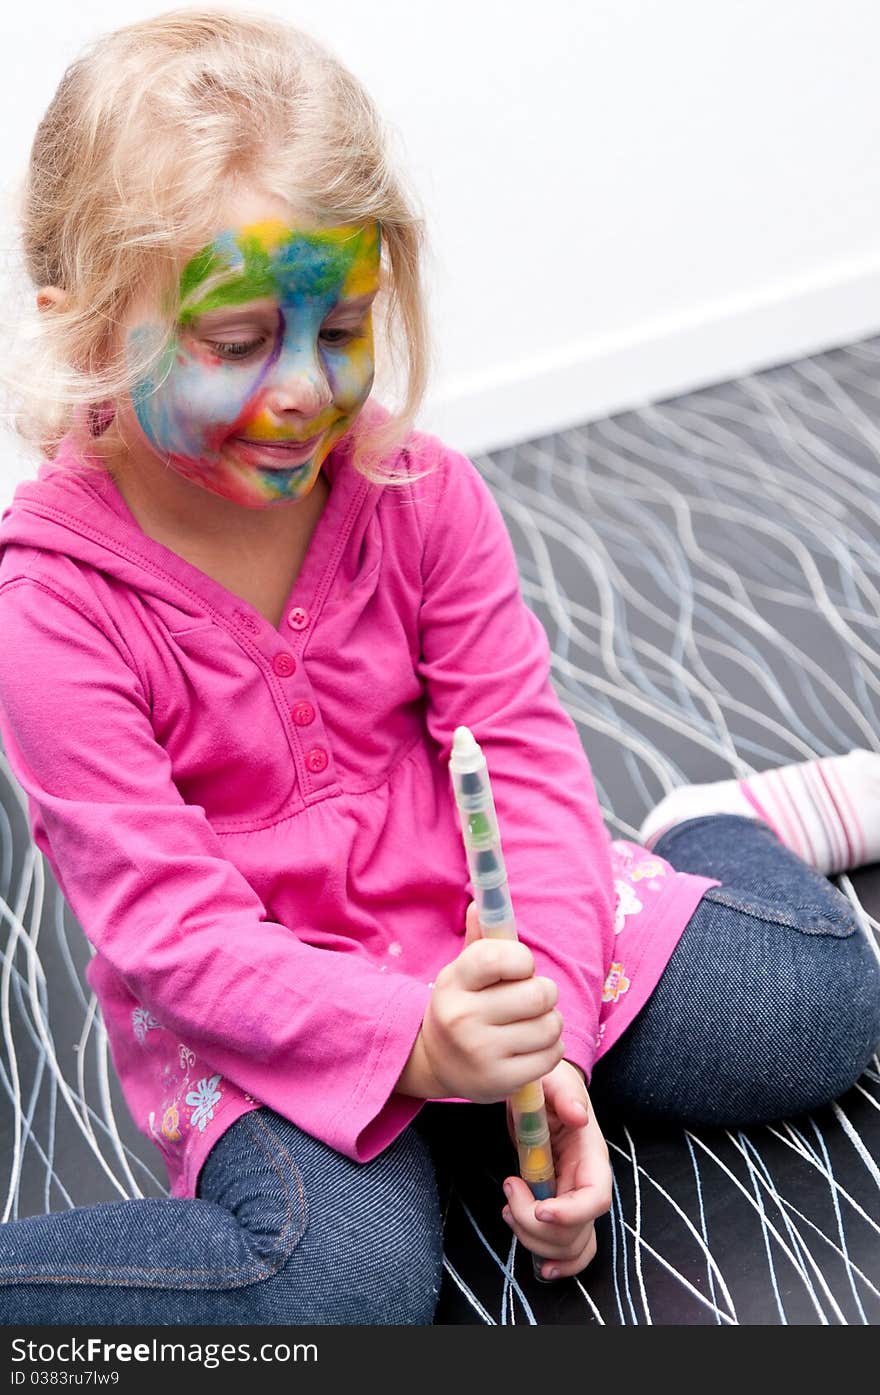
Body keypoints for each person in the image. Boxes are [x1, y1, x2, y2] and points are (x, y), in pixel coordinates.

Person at [0, 6, 877, 1328]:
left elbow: (520, 755)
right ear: (77, 329)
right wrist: (414, 1040)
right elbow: (174, 935)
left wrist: (555, 1043)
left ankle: (709, 826)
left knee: (810, 1011)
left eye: (342, 326)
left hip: (501, 928)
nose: (303, 388)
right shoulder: (47, 604)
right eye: (236, 342)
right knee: (340, 1296)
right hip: (265, 1013)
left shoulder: (419, 493)